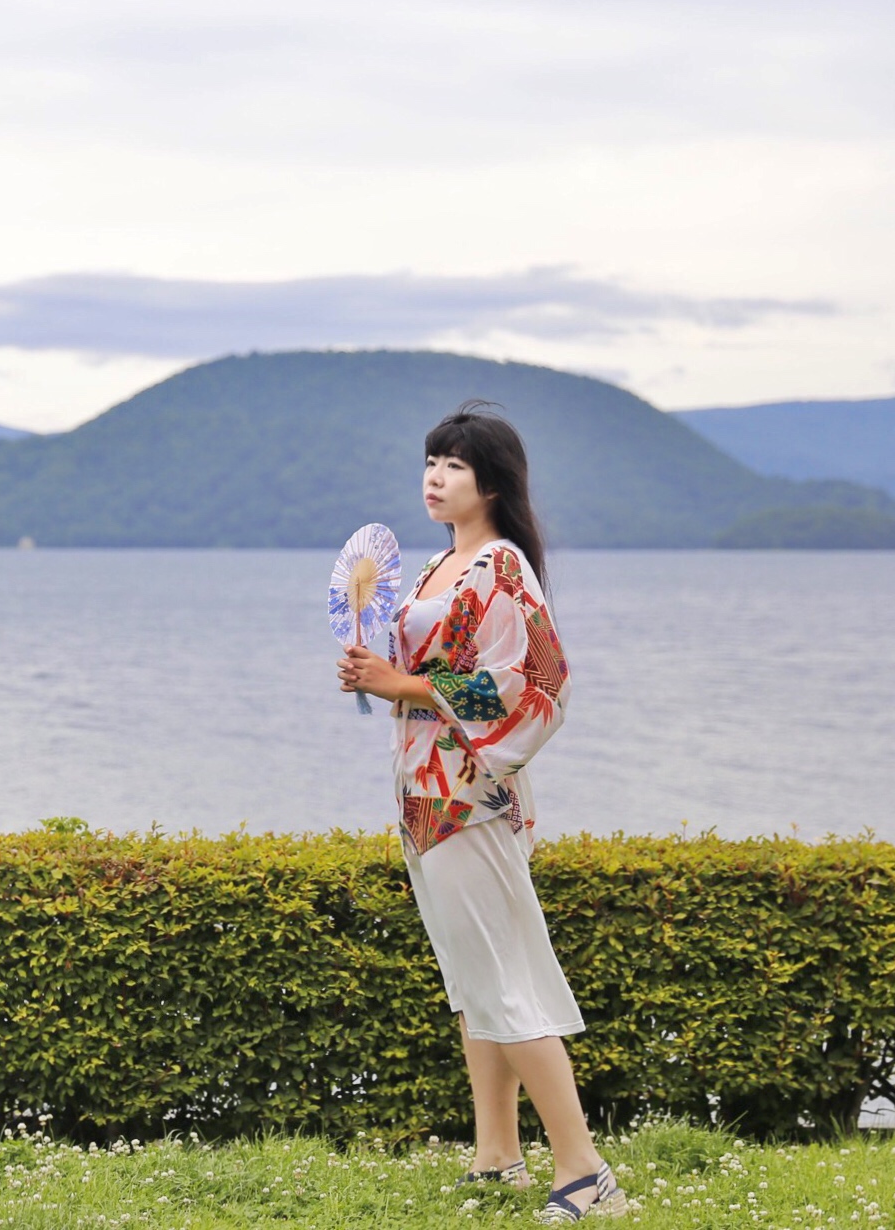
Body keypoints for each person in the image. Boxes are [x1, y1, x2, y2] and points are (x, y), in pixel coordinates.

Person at [335, 401, 626, 1223]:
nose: (434, 475)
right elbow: (425, 669)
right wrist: (376, 673)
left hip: (468, 796)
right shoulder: (437, 566)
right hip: (422, 790)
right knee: (474, 982)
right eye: (430, 459)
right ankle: (497, 1154)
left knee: (507, 978)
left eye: (455, 464)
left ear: (491, 482)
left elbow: (532, 683)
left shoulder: (498, 566)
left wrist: (406, 686)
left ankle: (585, 1171)